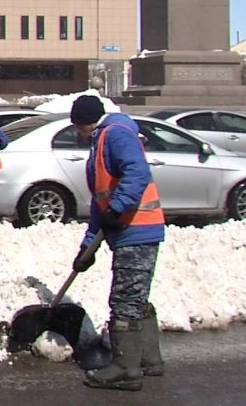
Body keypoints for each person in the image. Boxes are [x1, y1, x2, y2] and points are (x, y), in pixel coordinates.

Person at [69, 94, 165, 391]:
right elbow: (102, 205)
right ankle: (148, 360)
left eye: (78, 127)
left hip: (137, 230)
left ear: (86, 123)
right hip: (130, 230)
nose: (78, 134)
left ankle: (126, 368)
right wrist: (88, 247)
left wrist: (119, 206)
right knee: (134, 298)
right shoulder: (103, 141)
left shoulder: (115, 134)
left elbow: (137, 172)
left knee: (124, 301)